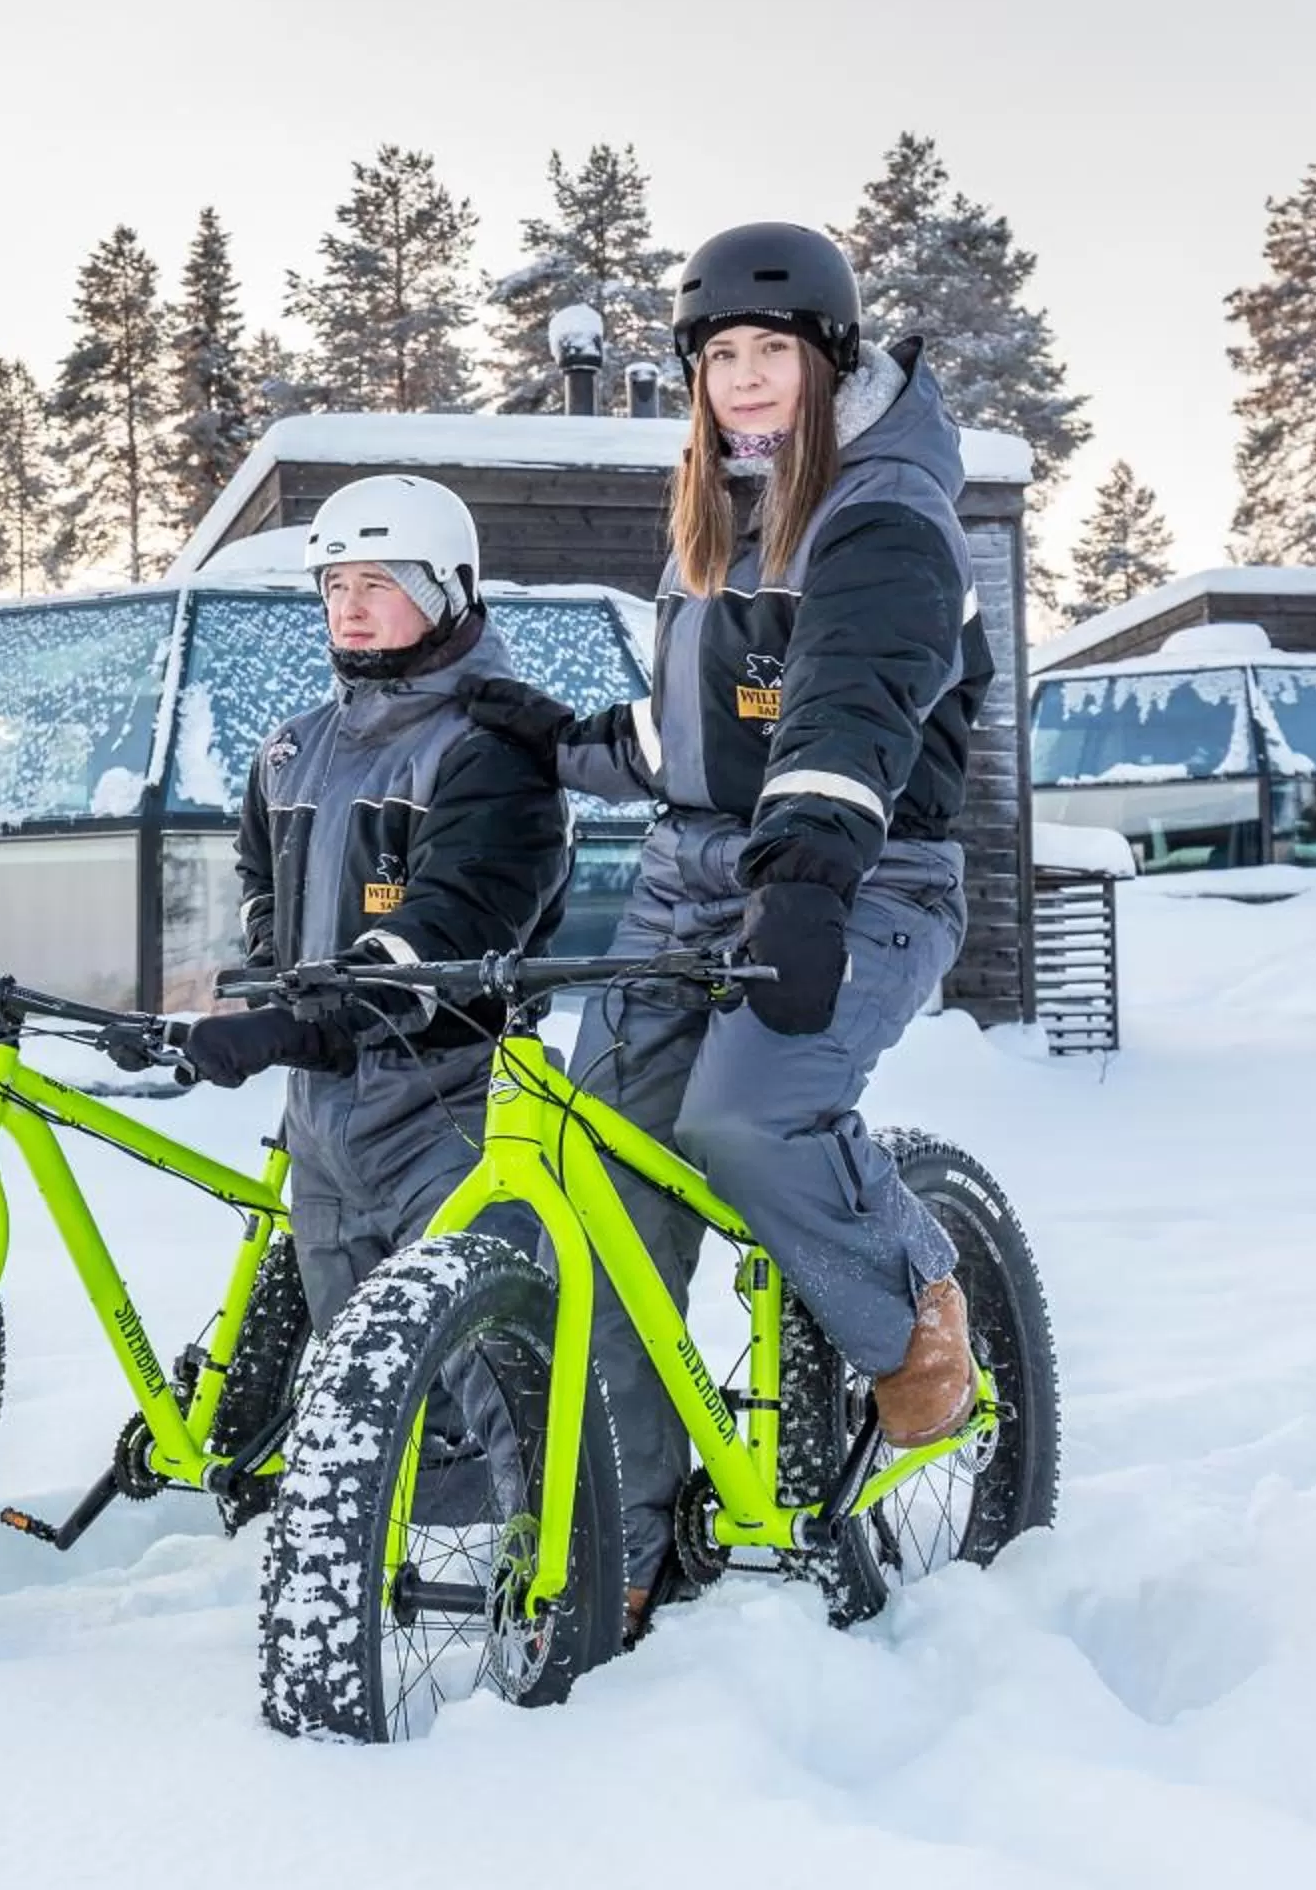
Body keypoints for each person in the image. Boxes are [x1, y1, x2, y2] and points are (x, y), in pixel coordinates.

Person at [463, 221, 994, 1633]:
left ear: (828, 360)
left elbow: (851, 705)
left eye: (771, 353)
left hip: (866, 878)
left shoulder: (883, 508)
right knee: (602, 1189)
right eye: (719, 358)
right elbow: (700, 737)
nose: (744, 381)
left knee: (750, 1117)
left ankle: (915, 1297)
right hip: (695, 880)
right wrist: (556, 743)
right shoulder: (721, 512)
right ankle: (619, 1542)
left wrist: (811, 871)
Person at [182, 473, 571, 1331]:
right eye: (335, 586)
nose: (349, 609)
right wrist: (270, 969)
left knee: (485, 1381)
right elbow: (261, 876)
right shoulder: (292, 749)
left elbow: (456, 926)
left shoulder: (494, 749)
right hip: (323, 1123)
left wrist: (301, 1020)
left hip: (457, 1110)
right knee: (354, 1405)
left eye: (381, 584)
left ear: (446, 593)